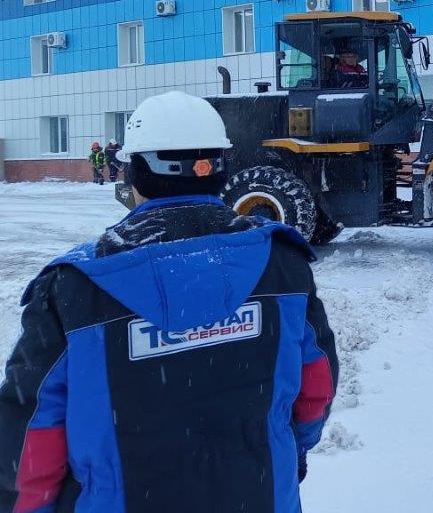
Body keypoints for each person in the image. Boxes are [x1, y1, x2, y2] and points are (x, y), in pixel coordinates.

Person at [0, 91, 338, 513]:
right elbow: (316, 387)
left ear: (133, 174)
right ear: (220, 168)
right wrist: (288, 452)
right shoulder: (283, 264)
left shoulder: (75, 288)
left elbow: (31, 438)